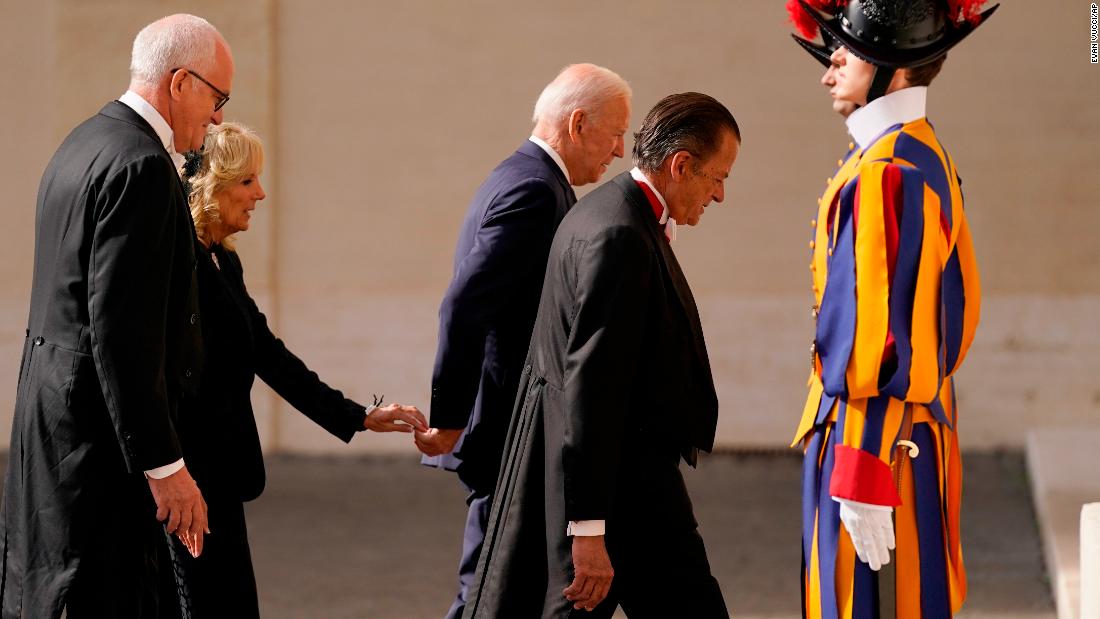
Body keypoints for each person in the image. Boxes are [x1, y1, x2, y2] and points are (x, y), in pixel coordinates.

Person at [463, 92, 740, 618]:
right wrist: (588, 529)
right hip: (621, 493)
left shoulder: (606, 209)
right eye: (717, 177)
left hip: (621, 485)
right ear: (681, 165)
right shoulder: (619, 236)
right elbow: (591, 387)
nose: (720, 194)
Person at [0, 14, 232, 618]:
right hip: (100, 450)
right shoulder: (142, 168)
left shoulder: (82, 143)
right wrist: (167, 466)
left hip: (53, 431)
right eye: (217, 97)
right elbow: (121, 335)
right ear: (180, 82)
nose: (218, 118)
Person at [166, 121, 426, 617]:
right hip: (189, 488)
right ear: (212, 186)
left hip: (221, 482)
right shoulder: (180, 266)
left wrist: (357, 415)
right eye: (247, 182)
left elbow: (267, 353)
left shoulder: (222, 259)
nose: (260, 194)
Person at [787, 0, 995, 615]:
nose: (829, 71)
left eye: (844, 54)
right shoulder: (917, 151)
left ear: (891, 68)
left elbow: (877, 337)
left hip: (877, 448)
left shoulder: (887, 171)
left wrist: (860, 468)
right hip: (905, 439)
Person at [411, 63, 631, 619]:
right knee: (486, 592)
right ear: (579, 123)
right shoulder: (535, 191)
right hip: (503, 428)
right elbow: (465, 304)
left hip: (506, 422)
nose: (620, 150)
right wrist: (452, 415)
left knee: (497, 587)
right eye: (614, 133)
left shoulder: (523, 175)